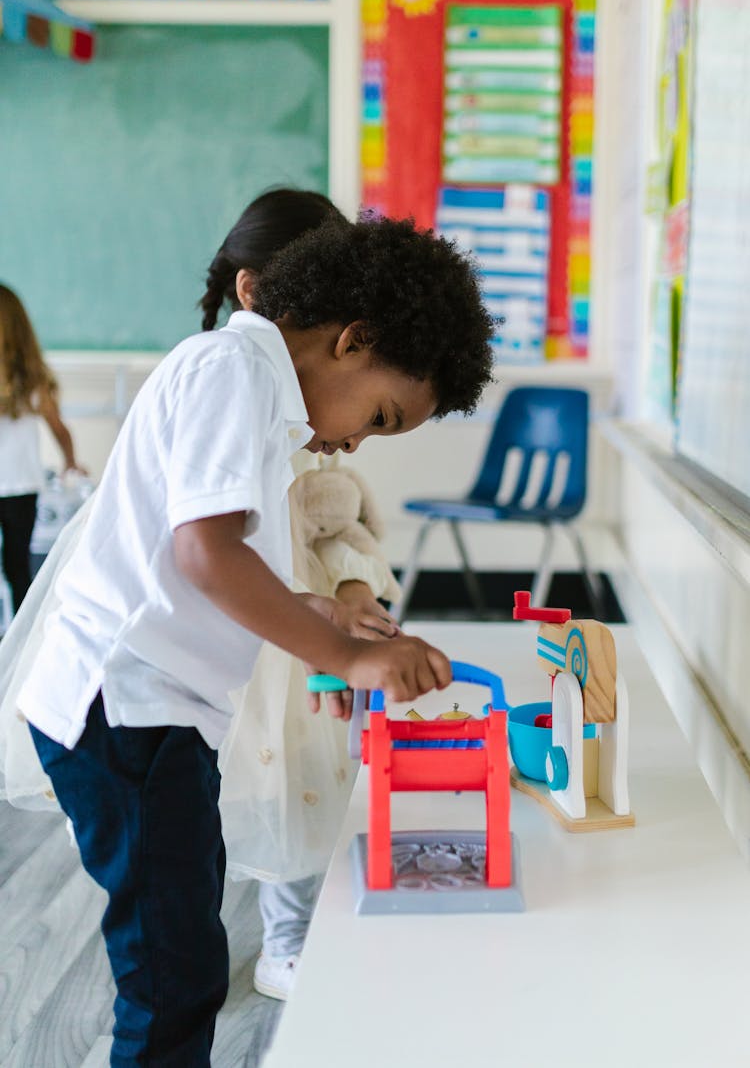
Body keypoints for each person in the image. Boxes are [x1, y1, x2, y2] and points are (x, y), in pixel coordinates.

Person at [14, 209, 494, 1067]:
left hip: (154, 713)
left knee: (182, 953)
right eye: (380, 416)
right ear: (353, 338)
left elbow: (212, 565)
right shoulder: (231, 368)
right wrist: (343, 654)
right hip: (125, 708)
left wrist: (324, 618)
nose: (355, 441)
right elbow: (204, 553)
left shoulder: (261, 400)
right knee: (171, 976)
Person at [199, 190, 403, 1000]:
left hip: (308, 625)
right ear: (255, 293)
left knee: (307, 778)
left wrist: (352, 588)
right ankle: (242, 931)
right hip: (252, 630)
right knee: (242, 783)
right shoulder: (226, 387)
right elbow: (205, 547)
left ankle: (291, 930)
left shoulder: (313, 430)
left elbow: (344, 521)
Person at [0, 284, 85, 614]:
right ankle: (21, 643)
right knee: (17, 567)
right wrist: (70, 462)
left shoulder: (31, 380)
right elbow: (60, 431)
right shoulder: (32, 380)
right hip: (22, 486)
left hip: (21, 486)